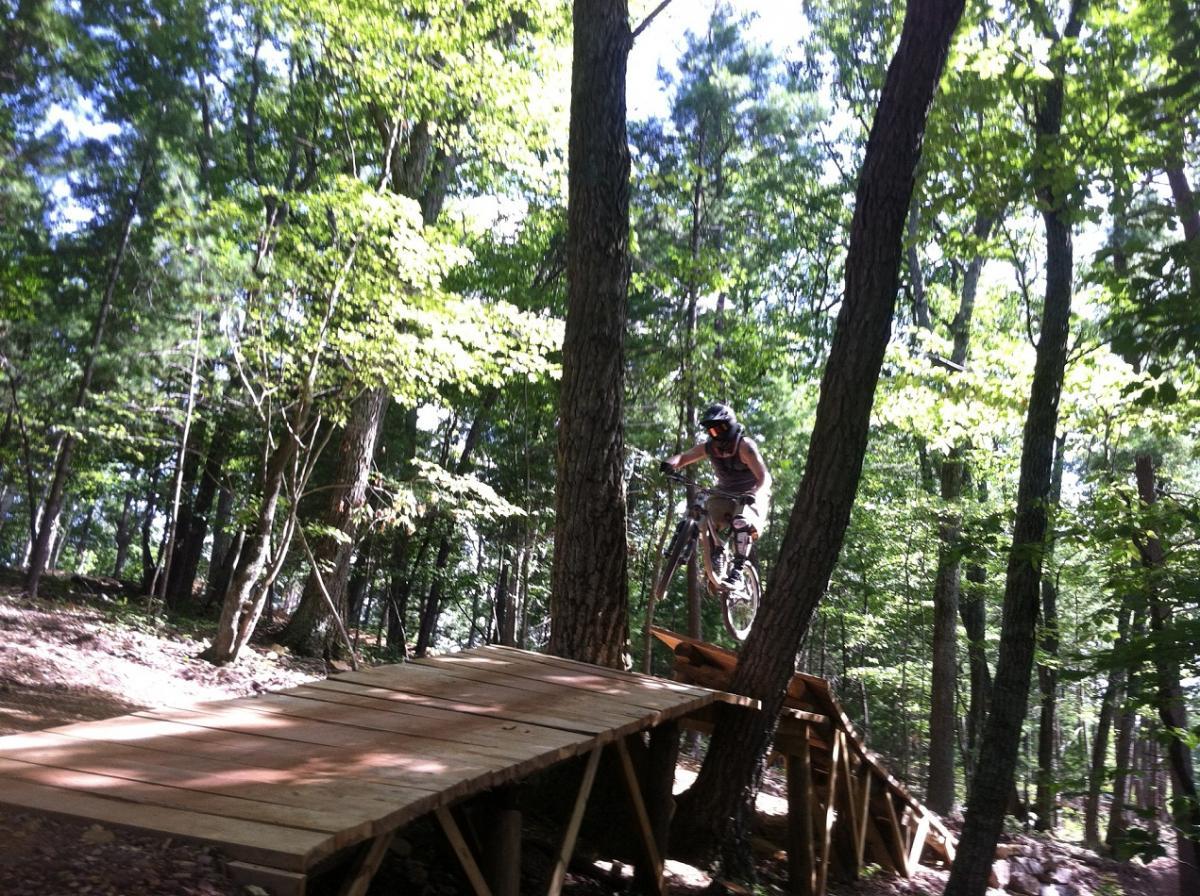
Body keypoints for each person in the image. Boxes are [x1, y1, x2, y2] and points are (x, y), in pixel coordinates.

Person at [660, 402, 772, 589]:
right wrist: (669, 464)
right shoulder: (710, 447)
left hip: (753, 492)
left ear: (731, 426)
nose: (717, 434)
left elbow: (765, 477)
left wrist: (754, 492)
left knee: (741, 521)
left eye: (721, 428)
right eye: (712, 431)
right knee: (711, 518)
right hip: (725, 492)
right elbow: (684, 457)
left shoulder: (744, 446)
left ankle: (738, 570)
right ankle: (718, 551)